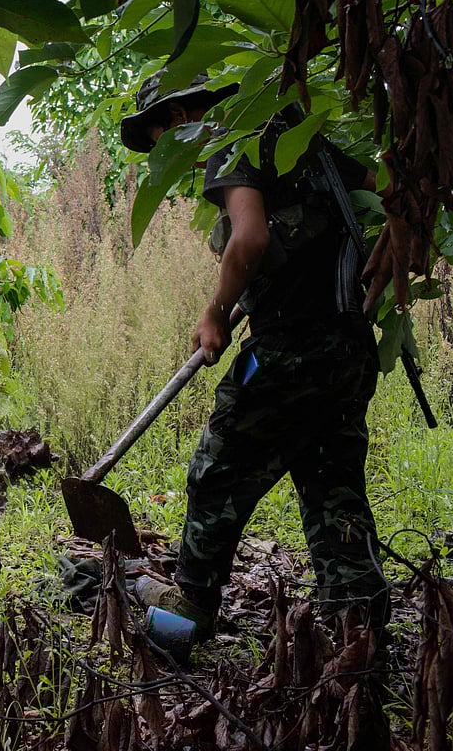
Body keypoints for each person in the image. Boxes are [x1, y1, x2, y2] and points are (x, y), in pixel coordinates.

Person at [120, 72, 390, 638]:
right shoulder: (299, 138)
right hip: (349, 351)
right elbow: (389, 188)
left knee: (217, 473)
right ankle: (359, 627)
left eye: (161, 135)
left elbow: (249, 239)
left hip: (285, 350)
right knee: (331, 482)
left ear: (179, 119)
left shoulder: (228, 138)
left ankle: (186, 616)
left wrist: (215, 311)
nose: (169, 152)